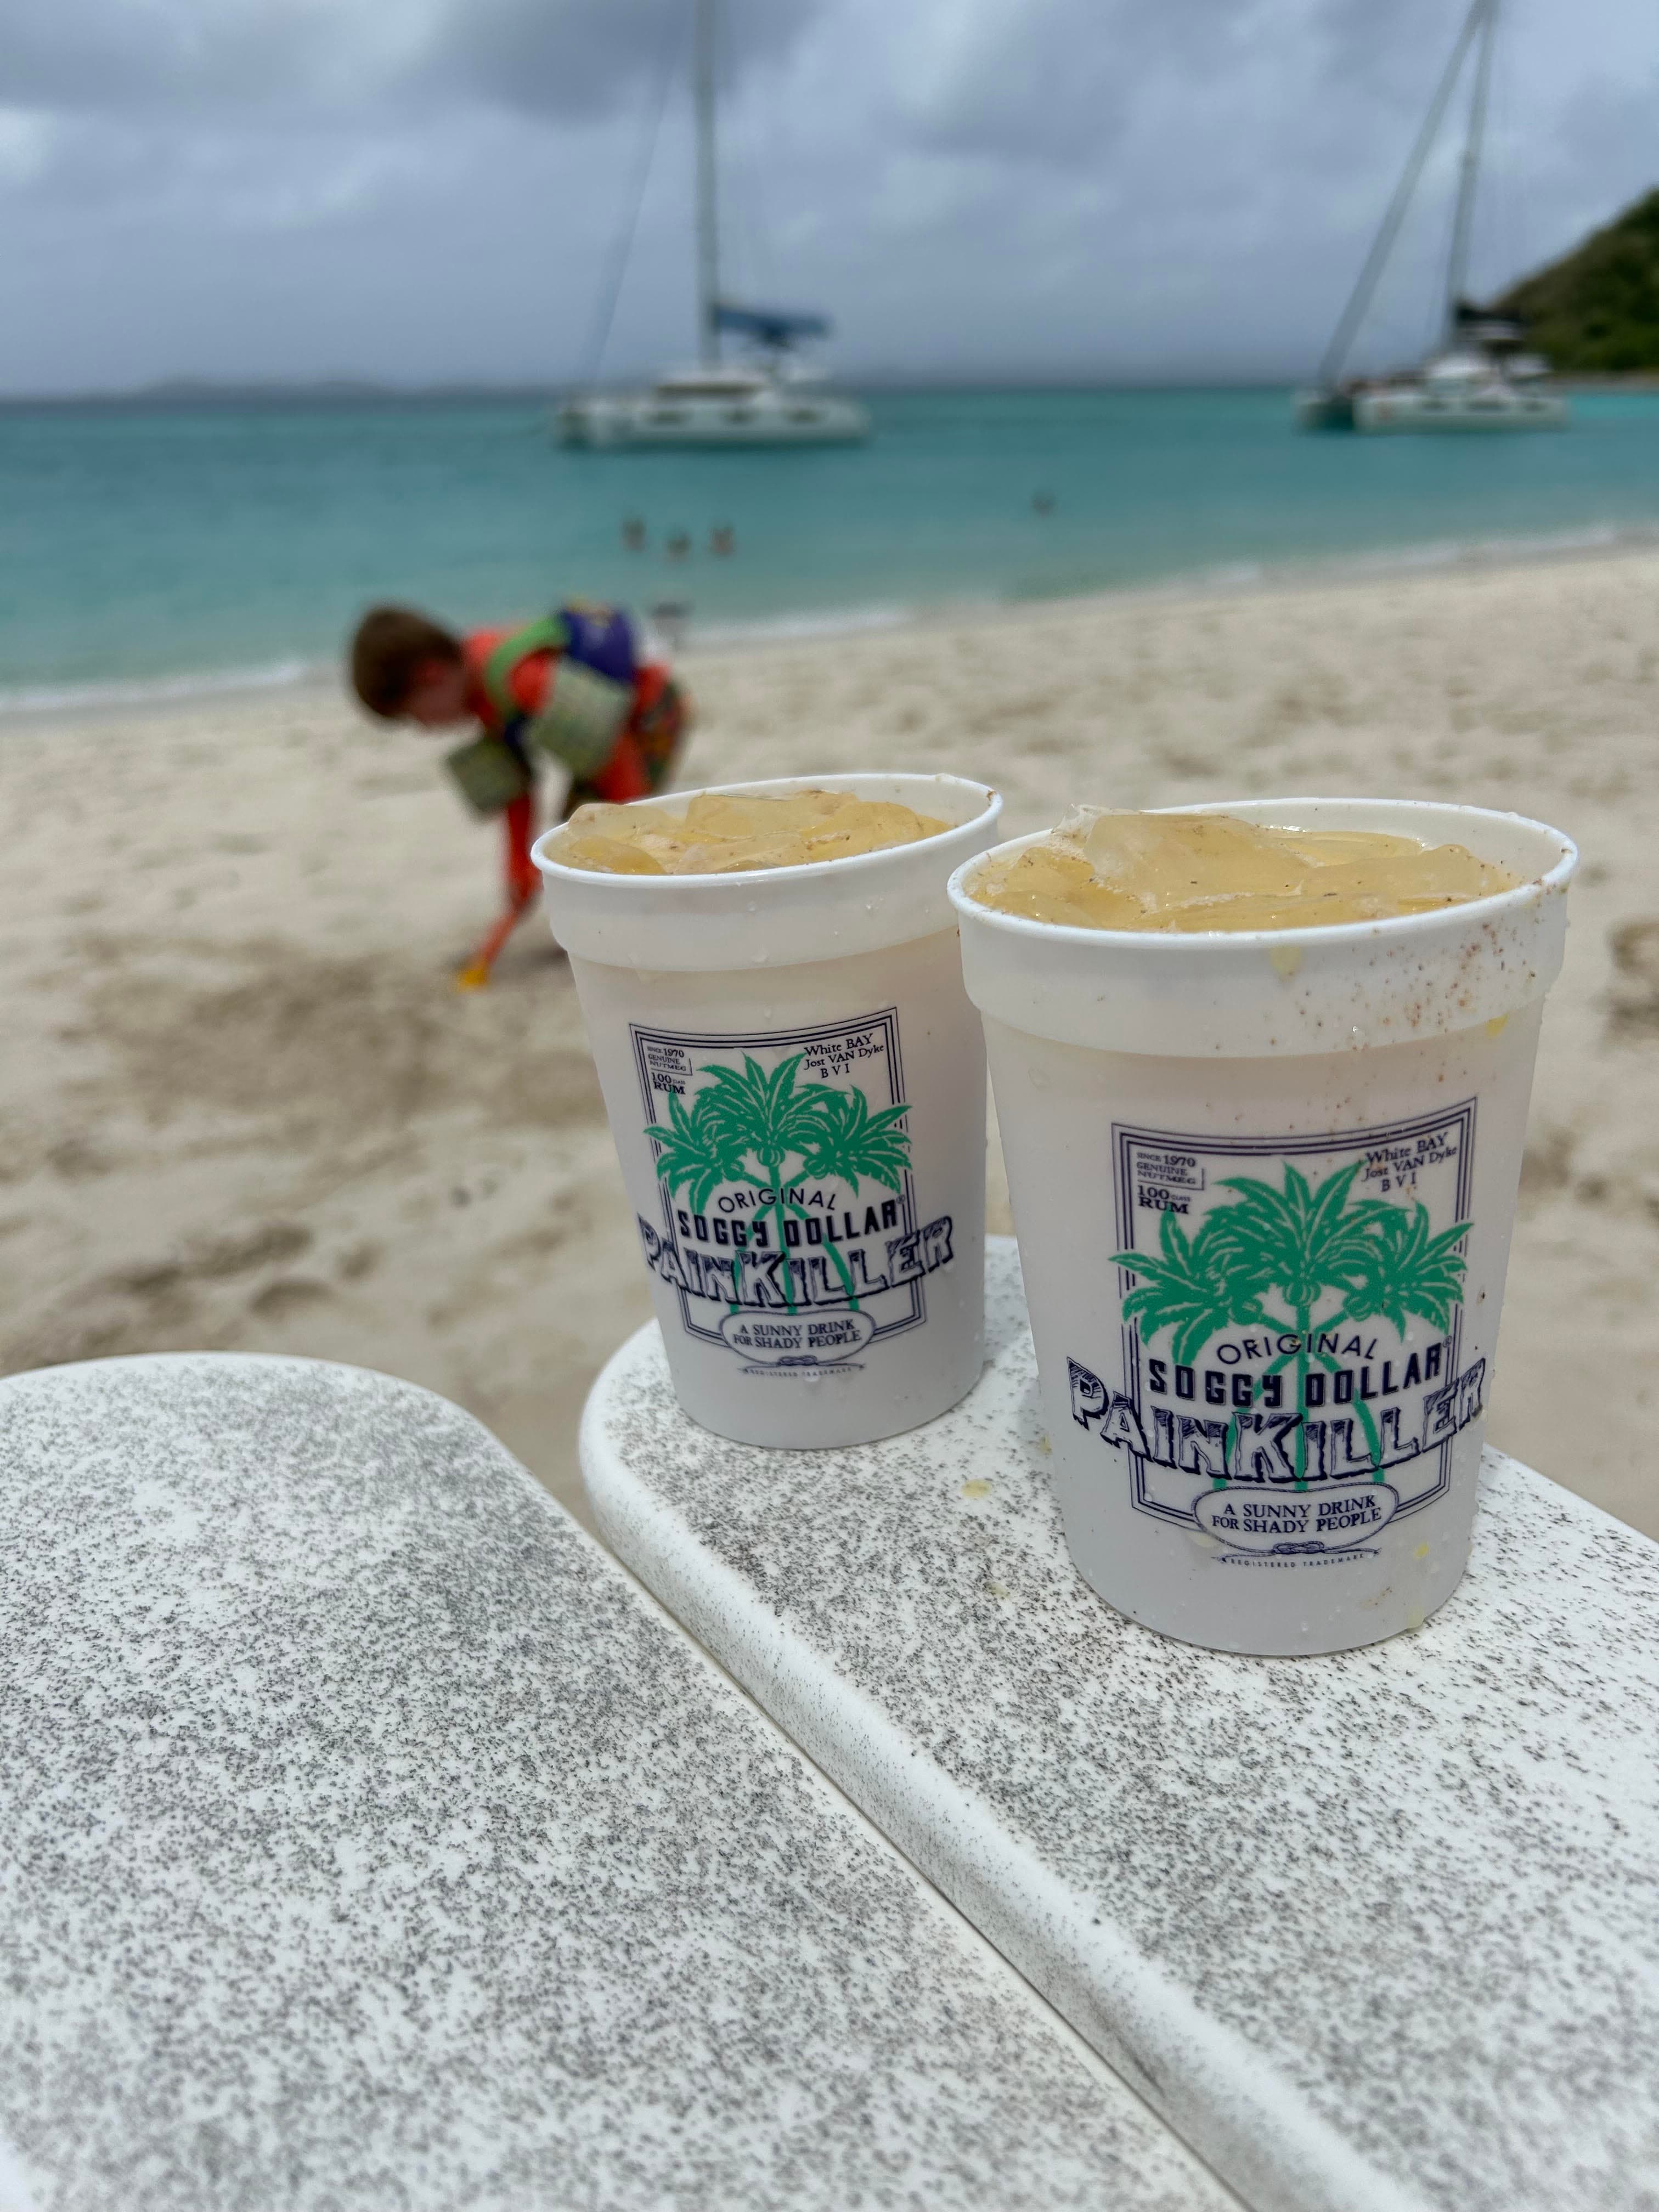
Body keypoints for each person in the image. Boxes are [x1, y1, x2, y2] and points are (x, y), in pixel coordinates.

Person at [350, 601, 689, 987]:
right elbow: (518, 790)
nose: (424, 729)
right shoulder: (479, 690)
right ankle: (610, 925)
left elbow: (616, 751)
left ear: (431, 676)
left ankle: (646, 923)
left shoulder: (518, 681)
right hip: (603, 744)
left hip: (650, 717)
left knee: (593, 848)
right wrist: (517, 869)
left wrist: (630, 829)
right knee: (574, 847)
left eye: (416, 716)